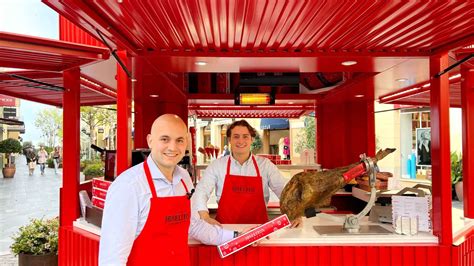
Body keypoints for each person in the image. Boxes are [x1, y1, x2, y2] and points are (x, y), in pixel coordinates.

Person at [99, 114, 236, 266]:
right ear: (150, 141)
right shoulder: (128, 186)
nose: (172, 147)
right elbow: (112, 259)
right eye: (165, 139)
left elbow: (193, 225)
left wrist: (236, 236)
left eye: (179, 140)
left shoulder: (184, 178)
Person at [194, 120, 300, 226]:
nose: (240, 141)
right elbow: (201, 191)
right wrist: (204, 216)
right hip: (225, 232)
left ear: (252, 139)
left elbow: (284, 191)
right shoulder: (217, 165)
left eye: (245, 136)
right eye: (236, 136)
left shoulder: (265, 165)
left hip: (259, 231)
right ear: (229, 140)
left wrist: (295, 213)